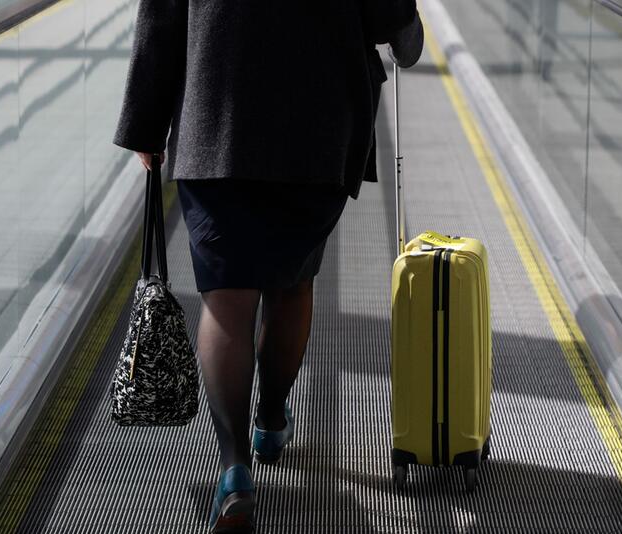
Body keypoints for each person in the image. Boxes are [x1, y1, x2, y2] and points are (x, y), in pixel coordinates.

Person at [113, 2, 423, 533]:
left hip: (216, 114)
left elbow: (162, 11)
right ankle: (272, 420)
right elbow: (388, 18)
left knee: (227, 299)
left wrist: (145, 121)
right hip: (317, 125)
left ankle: (234, 469)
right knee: (293, 282)